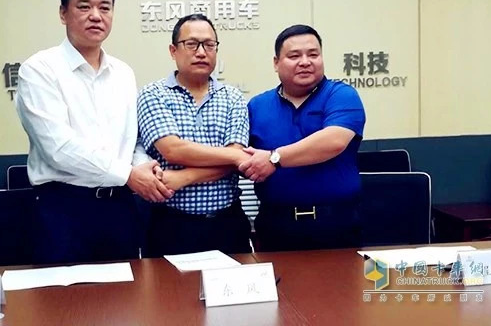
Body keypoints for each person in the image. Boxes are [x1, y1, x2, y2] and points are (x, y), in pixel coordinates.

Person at [16, 0, 172, 264]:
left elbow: (132, 139)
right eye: (84, 7)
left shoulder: (123, 73)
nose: (96, 16)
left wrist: (142, 166)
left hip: (120, 208)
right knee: (63, 293)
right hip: (64, 210)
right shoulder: (39, 70)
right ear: (63, 13)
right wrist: (129, 175)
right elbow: (58, 149)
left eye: (105, 7)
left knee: (127, 290)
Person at [239, 24, 366, 251]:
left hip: (336, 224)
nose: (305, 62)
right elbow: (240, 155)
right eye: (294, 56)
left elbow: (333, 142)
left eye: (313, 54)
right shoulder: (257, 106)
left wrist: (274, 158)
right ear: (276, 63)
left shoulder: (341, 95)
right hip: (276, 226)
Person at [137, 14, 252, 257]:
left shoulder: (232, 97)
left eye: (209, 45)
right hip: (170, 224)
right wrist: (232, 156)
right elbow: (173, 150)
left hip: (227, 223)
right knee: (166, 284)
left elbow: (236, 159)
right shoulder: (153, 94)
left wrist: (183, 178)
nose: (201, 52)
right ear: (173, 50)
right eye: (191, 44)